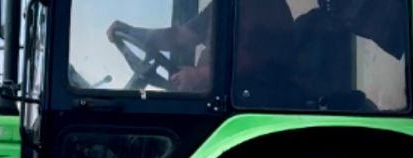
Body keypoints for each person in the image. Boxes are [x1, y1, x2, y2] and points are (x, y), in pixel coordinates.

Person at [109, 1, 296, 96]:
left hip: (245, 105)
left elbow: (262, 59)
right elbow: (180, 37)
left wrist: (201, 75)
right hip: (211, 100)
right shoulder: (224, 6)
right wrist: (131, 31)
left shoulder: (265, 5)